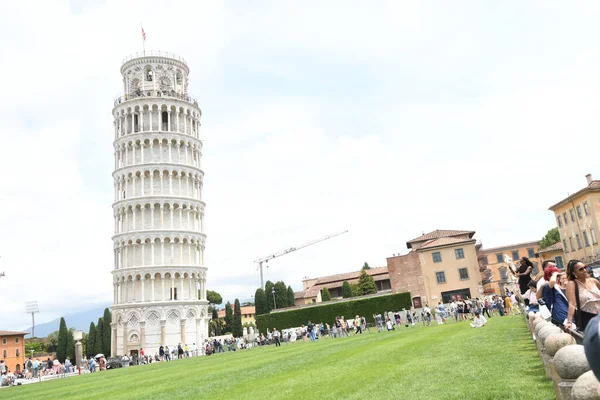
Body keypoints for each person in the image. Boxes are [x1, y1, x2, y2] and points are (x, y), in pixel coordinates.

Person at [566, 260, 600, 332]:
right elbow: (572, 303)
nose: (585, 270)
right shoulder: (572, 284)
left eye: (585, 267)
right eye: (581, 269)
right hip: (588, 318)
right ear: (574, 273)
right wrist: (569, 322)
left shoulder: (593, 281)